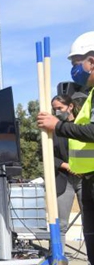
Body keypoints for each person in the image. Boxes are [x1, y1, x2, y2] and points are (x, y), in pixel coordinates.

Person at [38, 31, 94, 265]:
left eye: (76, 63)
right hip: (80, 177)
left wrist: (58, 126)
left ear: (91, 61)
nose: (74, 70)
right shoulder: (91, 95)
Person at [51, 94, 85, 255]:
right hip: (63, 180)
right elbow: (46, 155)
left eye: (60, 108)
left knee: (89, 222)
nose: (57, 112)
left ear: (70, 107)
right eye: (54, 109)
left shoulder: (82, 126)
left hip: (84, 179)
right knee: (61, 224)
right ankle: (58, 260)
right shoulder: (53, 130)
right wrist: (66, 166)